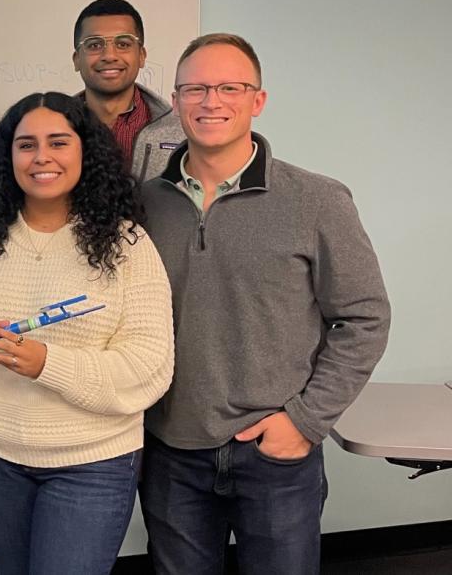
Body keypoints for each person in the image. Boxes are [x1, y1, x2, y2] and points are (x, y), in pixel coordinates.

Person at [139, 33, 391, 575]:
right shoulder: (143, 204)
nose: (212, 102)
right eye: (196, 88)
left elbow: (364, 317)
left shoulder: (317, 200)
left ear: (258, 100)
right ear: (177, 101)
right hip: (170, 452)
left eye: (230, 87)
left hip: (276, 455)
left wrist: (305, 419)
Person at [0, 92, 173, 575]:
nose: (42, 157)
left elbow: (149, 369)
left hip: (92, 464)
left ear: (85, 150)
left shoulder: (128, 243)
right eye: (26, 145)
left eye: (58, 142)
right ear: (8, 157)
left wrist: (47, 364)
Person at [72, 0, 183, 182]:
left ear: (141, 56)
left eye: (123, 44)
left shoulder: (182, 131)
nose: (109, 56)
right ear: (76, 59)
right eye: (94, 45)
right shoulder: (55, 128)